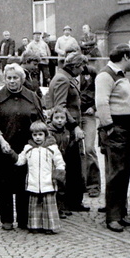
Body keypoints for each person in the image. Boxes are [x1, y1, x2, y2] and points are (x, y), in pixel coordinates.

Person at [0, 63, 45, 230]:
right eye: (9, 78)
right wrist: (1, 140)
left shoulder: (32, 97)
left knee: (24, 184)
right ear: (5, 78)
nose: (11, 81)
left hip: (26, 147)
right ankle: (7, 219)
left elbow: (40, 122)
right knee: (4, 184)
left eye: (15, 78)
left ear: (22, 79)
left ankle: (24, 219)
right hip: (3, 146)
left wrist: (36, 143)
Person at [95, 44, 130, 232]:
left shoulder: (121, 75)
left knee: (124, 171)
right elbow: (101, 103)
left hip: (127, 127)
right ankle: (112, 217)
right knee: (116, 173)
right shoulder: (106, 75)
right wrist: (109, 127)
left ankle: (121, 212)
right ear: (126, 56)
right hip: (117, 129)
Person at [48, 52, 88, 212]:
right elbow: (60, 107)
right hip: (66, 130)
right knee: (69, 165)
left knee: (74, 165)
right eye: (82, 66)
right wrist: (74, 126)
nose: (83, 69)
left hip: (69, 128)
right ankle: (66, 203)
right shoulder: (62, 79)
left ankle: (73, 201)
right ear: (75, 66)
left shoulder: (65, 77)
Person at [12, 120, 65, 234]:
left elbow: (59, 162)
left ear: (45, 135)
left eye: (40, 134)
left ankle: (50, 226)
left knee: (48, 206)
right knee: (34, 206)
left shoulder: (52, 148)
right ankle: (35, 225)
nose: (37, 138)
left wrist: (58, 175)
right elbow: (20, 160)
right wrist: (11, 154)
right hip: (33, 183)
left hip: (48, 182)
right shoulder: (28, 148)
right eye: (35, 135)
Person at [47, 106, 76, 219]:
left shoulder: (67, 132)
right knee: (54, 185)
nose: (59, 120)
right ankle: (56, 209)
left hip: (62, 163)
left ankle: (62, 207)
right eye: (57, 118)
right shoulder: (49, 132)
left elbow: (68, 146)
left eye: (62, 118)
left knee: (62, 185)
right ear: (51, 118)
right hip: (52, 163)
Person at [78, 60, 101, 199]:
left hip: (88, 115)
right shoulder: (66, 74)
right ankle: (80, 184)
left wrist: (94, 106)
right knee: (77, 151)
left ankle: (94, 185)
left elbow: (100, 91)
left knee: (89, 148)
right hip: (73, 116)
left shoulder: (91, 73)